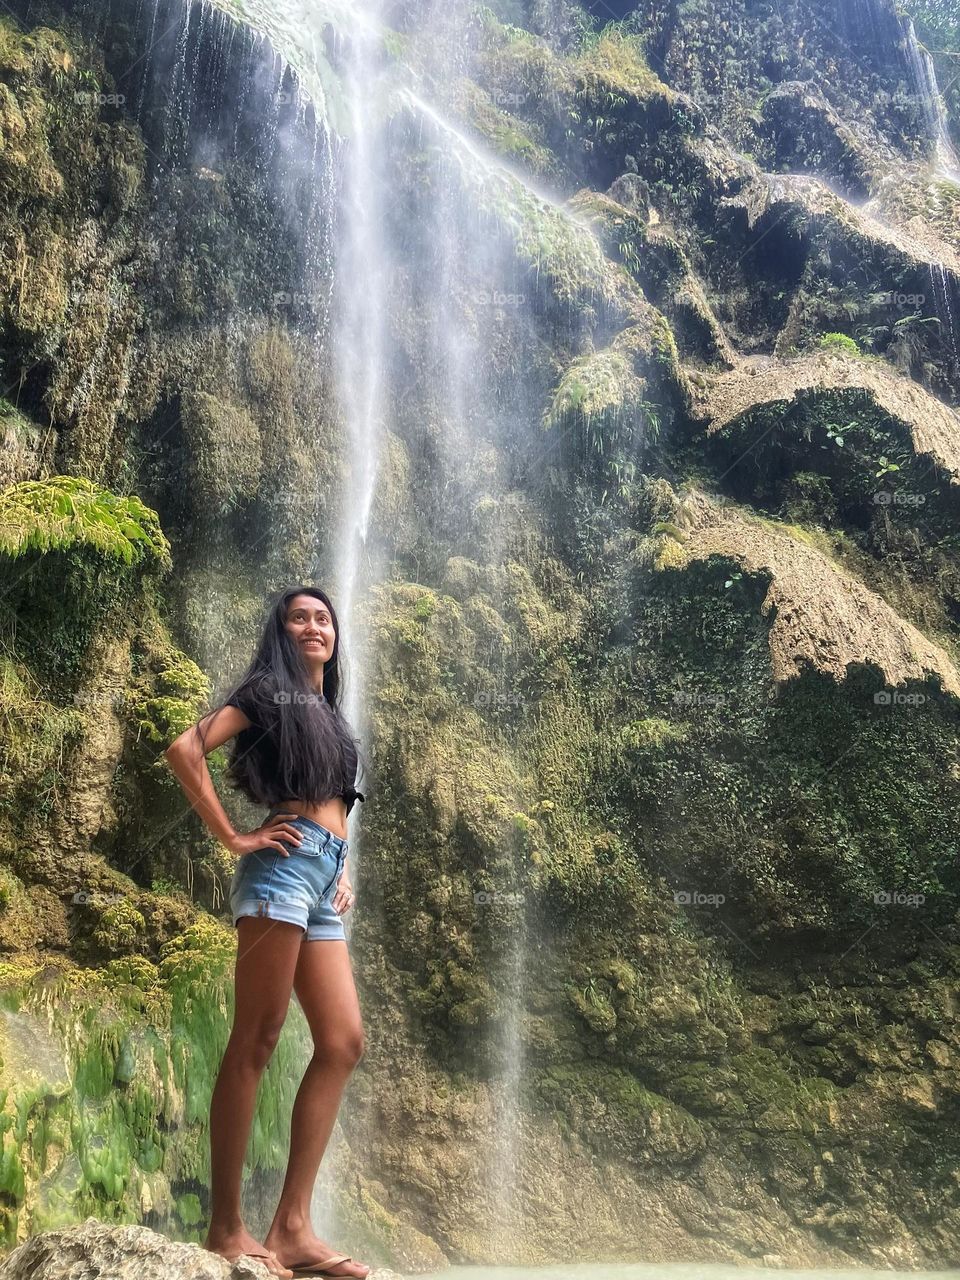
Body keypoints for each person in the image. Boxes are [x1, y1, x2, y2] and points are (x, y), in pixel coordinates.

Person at [164, 586, 371, 1279]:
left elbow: (339, 806)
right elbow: (184, 749)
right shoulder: (264, 691)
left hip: (320, 878)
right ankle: (226, 1228)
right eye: (300, 617)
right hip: (280, 871)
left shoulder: (331, 720)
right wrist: (232, 835)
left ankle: (291, 1228)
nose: (314, 625)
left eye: (324, 617)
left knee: (342, 1041)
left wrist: (343, 870)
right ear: (282, 632)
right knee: (257, 1037)